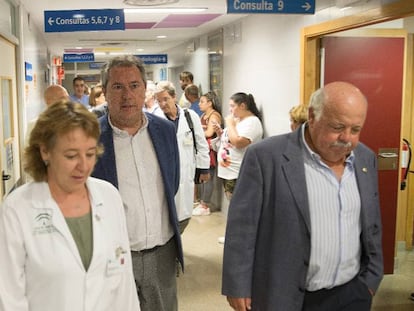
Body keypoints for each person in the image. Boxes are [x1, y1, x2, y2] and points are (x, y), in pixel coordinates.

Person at [221, 81, 384, 311]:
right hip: (286, 296)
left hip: (352, 293)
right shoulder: (266, 157)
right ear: (312, 116)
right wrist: (237, 285)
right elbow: (242, 229)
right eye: (337, 127)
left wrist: (372, 278)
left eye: (355, 129)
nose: (347, 137)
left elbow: (372, 224)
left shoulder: (365, 159)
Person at [0, 101, 140, 310]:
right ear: (45, 151)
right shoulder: (17, 208)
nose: (83, 166)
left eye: (91, 154)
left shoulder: (109, 196)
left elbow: (124, 286)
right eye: (71, 156)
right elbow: (9, 297)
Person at [91, 56, 183, 311]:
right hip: (112, 256)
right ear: (106, 92)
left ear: (145, 90)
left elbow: (171, 182)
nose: (127, 95)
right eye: (117, 87)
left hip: (161, 254)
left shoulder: (165, 131)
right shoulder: (90, 137)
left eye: (134, 85)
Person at [155, 80, 210, 233]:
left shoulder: (190, 116)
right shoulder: (155, 119)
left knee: (184, 214)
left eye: (165, 99)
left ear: (174, 97)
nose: (162, 104)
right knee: (166, 215)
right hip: (165, 172)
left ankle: (177, 243)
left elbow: (201, 143)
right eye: (159, 101)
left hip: (187, 170)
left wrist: (203, 169)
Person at [192, 91, 222, 216]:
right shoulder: (204, 115)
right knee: (203, 177)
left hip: (210, 150)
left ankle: (205, 205)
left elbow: (209, 133)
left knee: (208, 177)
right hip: (202, 148)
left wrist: (195, 134)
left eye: (202, 102)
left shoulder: (214, 116)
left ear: (210, 103)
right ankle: (202, 201)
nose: (199, 104)